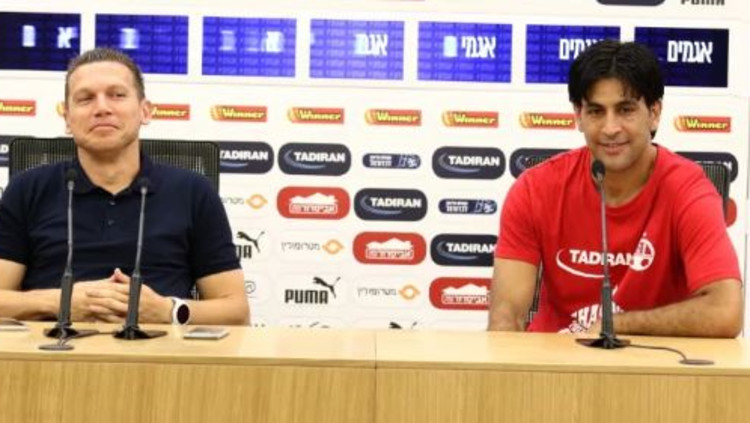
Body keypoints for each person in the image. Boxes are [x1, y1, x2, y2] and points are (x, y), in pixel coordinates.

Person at [487, 40, 741, 337]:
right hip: (555, 360)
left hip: (651, 360)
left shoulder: (688, 190)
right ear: (578, 116)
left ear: (654, 112)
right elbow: (506, 318)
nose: (610, 128)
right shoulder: (534, 189)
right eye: (596, 111)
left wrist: (616, 325)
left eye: (625, 110)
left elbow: (725, 311)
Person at [0, 48, 249, 325]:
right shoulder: (27, 189)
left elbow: (237, 313)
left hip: (160, 349)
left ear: (145, 111)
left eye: (117, 95)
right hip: (52, 348)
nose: (102, 108)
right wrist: (60, 302)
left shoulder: (193, 191)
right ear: (67, 119)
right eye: (85, 98)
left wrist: (167, 311)